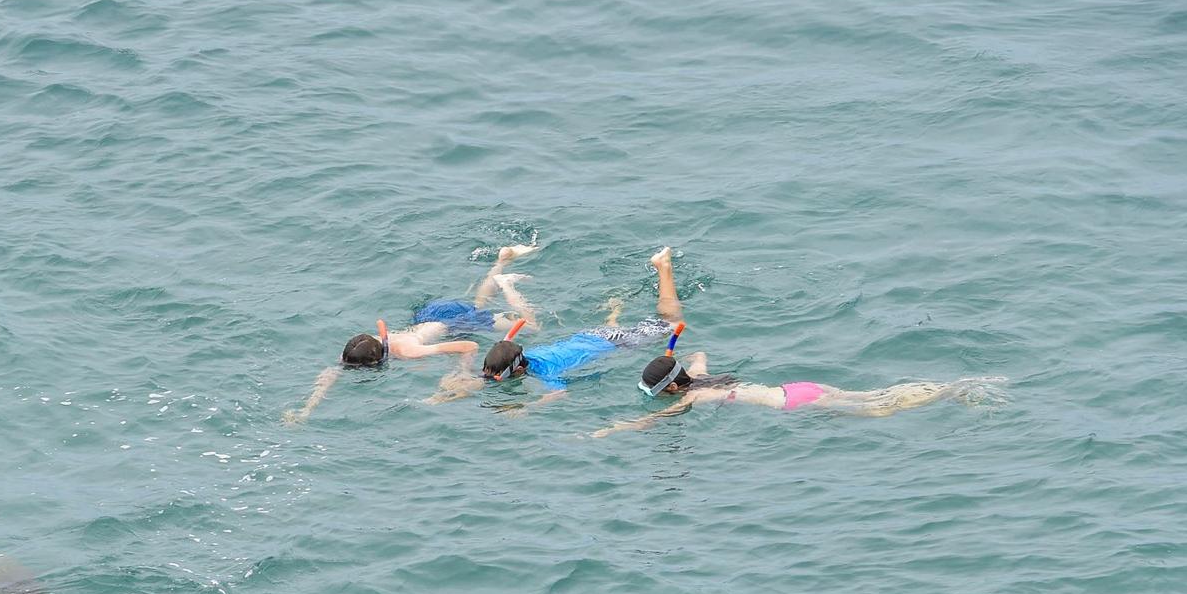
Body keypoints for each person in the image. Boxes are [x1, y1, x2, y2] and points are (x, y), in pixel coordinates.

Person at [285, 243, 541, 423]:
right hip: (428, 315)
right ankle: (501, 262)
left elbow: (469, 346)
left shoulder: (408, 352)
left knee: (531, 325)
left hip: (453, 323)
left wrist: (461, 372)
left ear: (375, 362)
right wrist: (307, 409)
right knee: (480, 303)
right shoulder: (364, 345)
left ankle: (508, 285)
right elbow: (330, 374)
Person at [429, 246, 684, 406]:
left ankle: (664, 268)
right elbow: (481, 378)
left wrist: (528, 407)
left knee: (670, 323)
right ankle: (615, 308)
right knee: (627, 326)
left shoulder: (545, 372)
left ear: (517, 373)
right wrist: (444, 394)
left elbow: (559, 394)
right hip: (592, 336)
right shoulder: (522, 361)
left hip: (612, 342)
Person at [589, 351, 1004, 437]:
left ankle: (954, 391)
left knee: (881, 409)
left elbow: (651, 420)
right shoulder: (700, 378)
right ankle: (953, 388)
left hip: (797, 403)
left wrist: (611, 430)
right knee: (874, 396)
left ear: (674, 389)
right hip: (798, 388)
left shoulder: (694, 398)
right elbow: (697, 355)